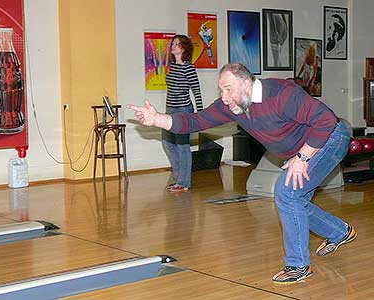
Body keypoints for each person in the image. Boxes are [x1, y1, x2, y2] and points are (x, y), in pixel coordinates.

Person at [127, 63, 357, 283]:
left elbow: (325, 120)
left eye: (228, 89)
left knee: (287, 193)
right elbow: (195, 121)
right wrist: (157, 119)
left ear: (246, 83)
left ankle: (297, 266)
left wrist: (303, 157)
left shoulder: (281, 93)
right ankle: (339, 232)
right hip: (301, 148)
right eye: (221, 90)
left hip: (331, 138)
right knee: (294, 200)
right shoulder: (232, 107)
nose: (224, 96)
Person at [163, 34, 203, 192]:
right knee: (167, 143)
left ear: (184, 48)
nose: (173, 46)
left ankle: (184, 182)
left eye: (177, 44)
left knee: (182, 145)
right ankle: (178, 178)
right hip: (170, 110)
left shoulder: (189, 67)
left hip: (183, 111)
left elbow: (196, 90)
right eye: (173, 44)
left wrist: (199, 113)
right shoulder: (172, 66)